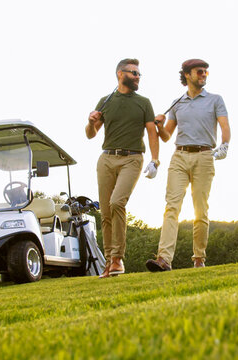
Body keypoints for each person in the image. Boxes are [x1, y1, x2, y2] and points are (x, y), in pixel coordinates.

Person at [146, 59, 230, 272]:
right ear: (187, 75)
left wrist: (225, 145)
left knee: (200, 210)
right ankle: (164, 259)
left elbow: (224, 126)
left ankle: (199, 258)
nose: (203, 75)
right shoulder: (177, 103)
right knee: (171, 207)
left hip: (204, 156)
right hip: (180, 156)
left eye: (205, 72)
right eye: (199, 72)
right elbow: (166, 137)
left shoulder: (215, 100)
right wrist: (159, 125)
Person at [86, 58, 160, 278]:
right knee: (106, 212)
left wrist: (155, 160)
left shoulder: (144, 102)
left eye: (139, 74)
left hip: (132, 159)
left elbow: (152, 133)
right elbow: (91, 134)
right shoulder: (105, 101)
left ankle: (118, 259)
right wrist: (91, 121)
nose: (138, 77)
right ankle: (109, 263)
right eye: (134, 73)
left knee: (117, 202)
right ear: (121, 74)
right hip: (107, 158)